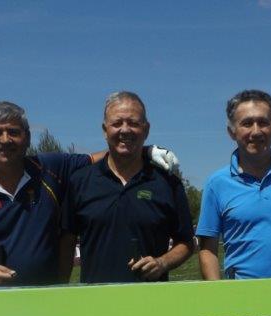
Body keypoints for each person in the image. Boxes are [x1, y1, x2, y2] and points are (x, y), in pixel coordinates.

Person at [0, 101, 178, 287]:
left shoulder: (51, 169)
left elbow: (104, 156)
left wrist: (147, 150)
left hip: (45, 299)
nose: (6, 139)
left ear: (27, 138)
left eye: (14, 132)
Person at [59, 92, 194, 284]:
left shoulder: (168, 182)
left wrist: (162, 263)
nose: (125, 130)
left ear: (146, 130)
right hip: (95, 303)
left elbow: (187, 243)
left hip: (153, 303)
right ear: (105, 130)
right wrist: (62, 291)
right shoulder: (80, 182)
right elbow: (67, 244)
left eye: (133, 123)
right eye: (117, 123)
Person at [196, 89, 271, 280]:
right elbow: (208, 250)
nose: (256, 131)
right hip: (242, 298)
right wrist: (218, 296)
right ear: (231, 132)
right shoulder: (216, 183)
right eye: (246, 123)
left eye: (263, 122)